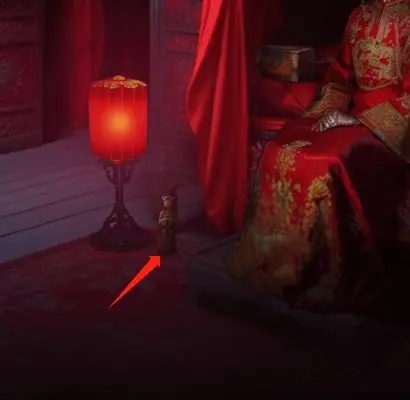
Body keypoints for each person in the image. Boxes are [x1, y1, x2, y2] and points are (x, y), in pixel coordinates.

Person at [227, 0, 410, 316]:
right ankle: (282, 263)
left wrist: (357, 121)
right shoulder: (359, 16)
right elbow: (339, 78)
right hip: (349, 116)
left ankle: (328, 272)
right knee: (282, 149)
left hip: (390, 125)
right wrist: (326, 113)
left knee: (326, 162)